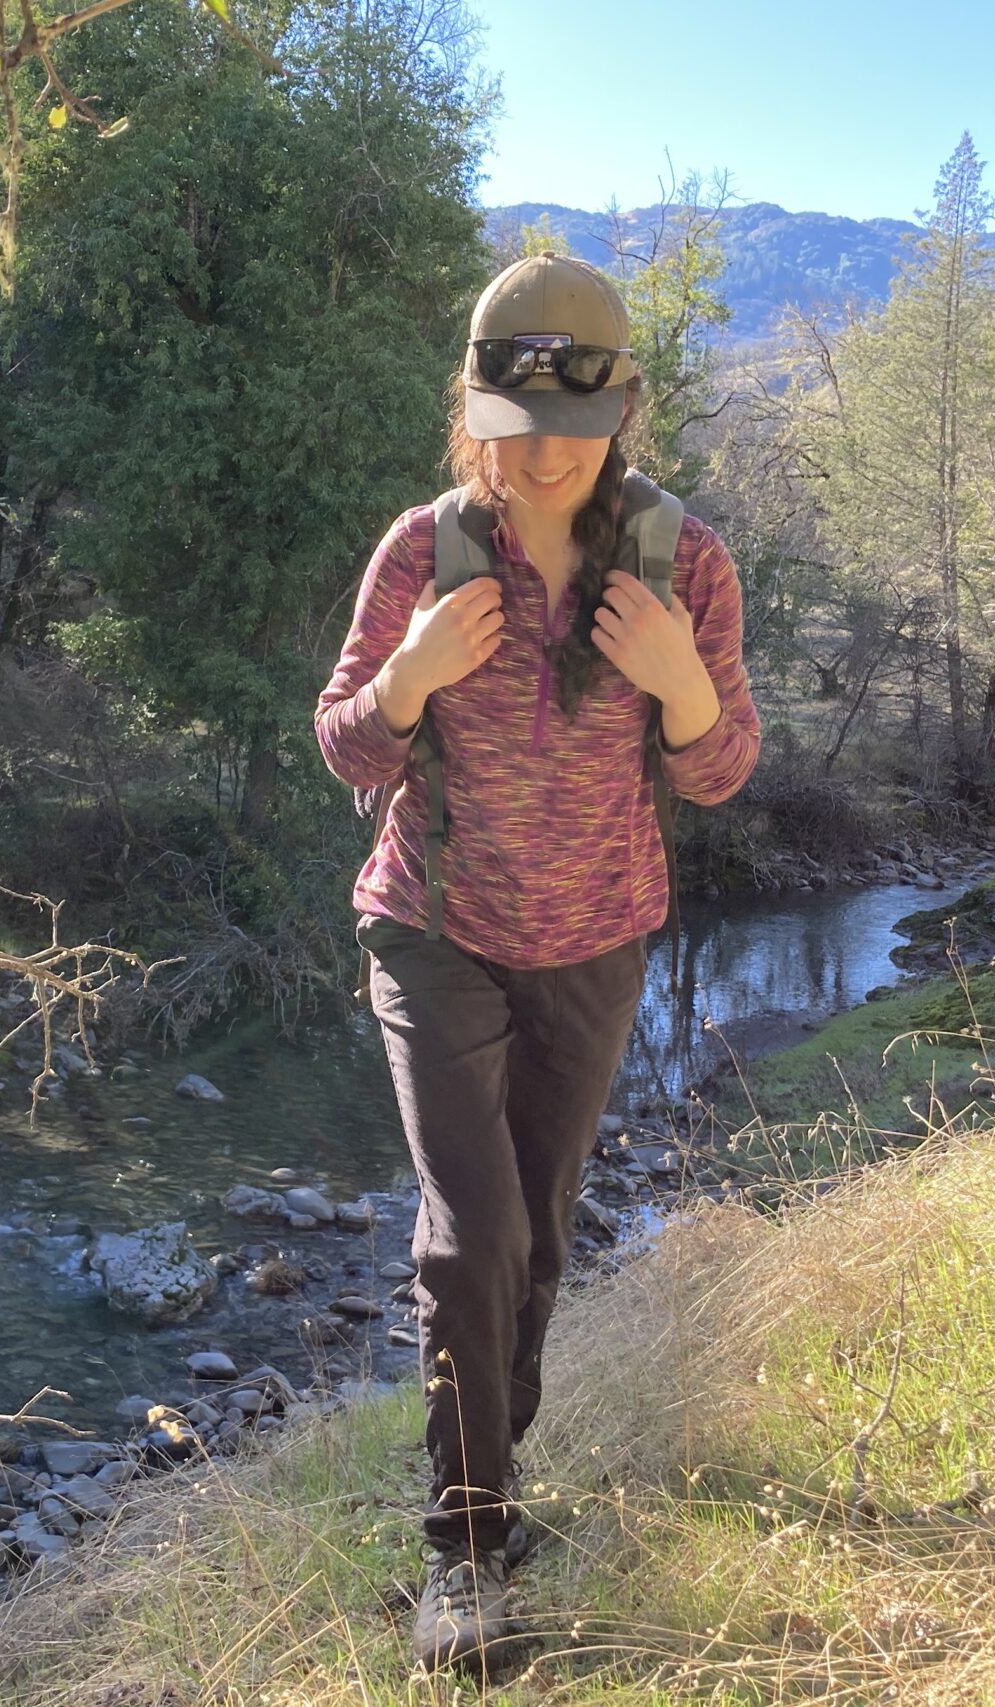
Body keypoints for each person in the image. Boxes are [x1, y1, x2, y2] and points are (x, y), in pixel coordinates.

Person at [313, 252, 761, 1674]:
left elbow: (723, 769)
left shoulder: (681, 560)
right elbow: (346, 746)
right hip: (433, 927)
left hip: (596, 941)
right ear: (474, 421)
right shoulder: (421, 553)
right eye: (516, 429)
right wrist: (410, 676)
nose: (549, 456)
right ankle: (463, 1550)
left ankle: (496, 1481)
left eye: (578, 425)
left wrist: (682, 684)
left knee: (544, 1239)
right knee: (473, 1240)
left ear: (623, 412)